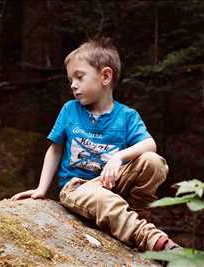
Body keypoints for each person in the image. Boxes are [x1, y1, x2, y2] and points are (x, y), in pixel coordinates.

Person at [11, 37, 178, 251]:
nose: (73, 85)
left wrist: (118, 157)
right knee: (103, 199)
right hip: (77, 187)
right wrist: (41, 189)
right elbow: (55, 149)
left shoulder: (126, 116)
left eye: (79, 77)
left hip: (113, 185)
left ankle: (138, 215)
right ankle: (153, 241)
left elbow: (149, 144)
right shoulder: (70, 110)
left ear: (105, 76)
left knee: (153, 162)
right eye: (71, 79)